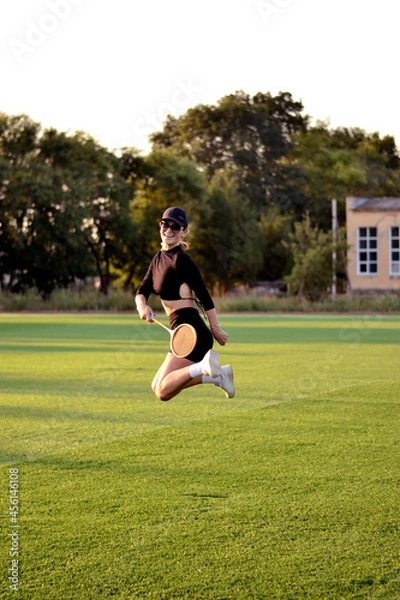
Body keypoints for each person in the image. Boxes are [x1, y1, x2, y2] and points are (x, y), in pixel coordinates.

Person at [135, 206, 234, 401]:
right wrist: (142, 306)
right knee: (157, 386)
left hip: (193, 332)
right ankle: (218, 376)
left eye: (175, 227)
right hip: (180, 333)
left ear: (184, 232)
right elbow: (142, 291)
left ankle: (203, 367)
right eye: (166, 224)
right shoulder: (157, 259)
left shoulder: (182, 260)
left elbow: (204, 296)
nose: (169, 230)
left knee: (163, 392)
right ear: (160, 226)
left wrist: (215, 328)